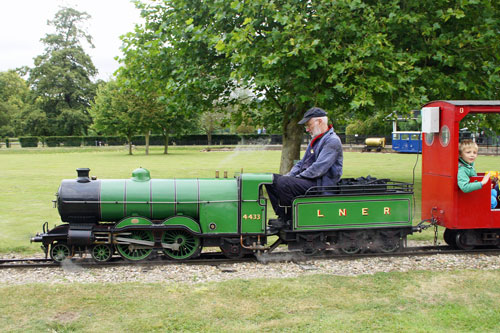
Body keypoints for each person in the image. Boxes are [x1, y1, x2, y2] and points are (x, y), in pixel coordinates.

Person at [266, 107, 343, 227]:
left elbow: (319, 168)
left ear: (319, 121)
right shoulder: (316, 140)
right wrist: (290, 176)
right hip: (311, 180)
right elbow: (302, 163)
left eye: (309, 125)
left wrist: (297, 178)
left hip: (321, 184)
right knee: (271, 180)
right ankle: (282, 216)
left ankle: (291, 218)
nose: (307, 129)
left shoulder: (332, 141)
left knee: (284, 183)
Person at [457, 139, 495, 208]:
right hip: (469, 197)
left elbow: (474, 180)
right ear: (460, 154)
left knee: (494, 192)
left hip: (474, 192)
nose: (472, 155)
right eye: (468, 152)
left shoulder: (469, 165)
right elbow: (465, 187)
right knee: (493, 201)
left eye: (474, 153)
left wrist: (485, 185)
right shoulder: (462, 169)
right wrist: (482, 183)